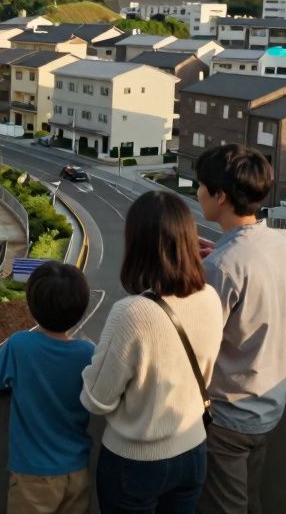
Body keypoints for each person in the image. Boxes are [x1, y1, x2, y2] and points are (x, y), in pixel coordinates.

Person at [81, 191, 223, 514]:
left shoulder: (131, 313)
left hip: (135, 464)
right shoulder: (211, 299)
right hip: (193, 450)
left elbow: (96, 399)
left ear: (137, 246)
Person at [193, 145, 286, 514]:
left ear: (220, 196)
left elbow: (197, 344)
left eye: (202, 186)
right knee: (250, 502)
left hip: (227, 416)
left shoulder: (222, 267)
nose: (198, 192)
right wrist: (220, 252)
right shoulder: (280, 246)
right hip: (268, 407)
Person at [0, 260, 94, 514]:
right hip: (77, 472)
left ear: (33, 306)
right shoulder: (88, 353)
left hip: (32, 475)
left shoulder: (20, 345)